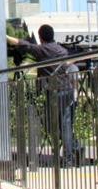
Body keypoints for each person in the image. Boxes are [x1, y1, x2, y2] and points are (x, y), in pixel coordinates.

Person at [7, 24, 80, 167]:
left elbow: (22, 44)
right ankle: (70, 154)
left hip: (53, 91)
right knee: (65, 125)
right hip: (67, 90)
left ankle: (71, 150)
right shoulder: (61, 49)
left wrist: (5, 36)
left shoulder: (42, 50)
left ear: (40, 37)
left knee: (49, 123)